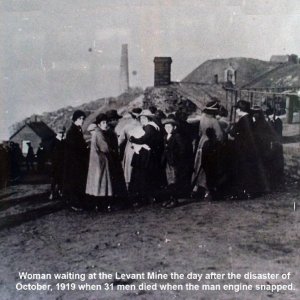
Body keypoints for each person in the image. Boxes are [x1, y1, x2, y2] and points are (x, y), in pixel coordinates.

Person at [229, 100, 265, 199]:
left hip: (243, 148)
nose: (236, 111)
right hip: (250, 148)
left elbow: (232, 133)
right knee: (250, 169)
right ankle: (252, 191)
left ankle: (246, 191)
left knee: (243, 170)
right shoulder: (250, 118)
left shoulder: (242, 120)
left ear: (240, 110)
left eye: (237, 109)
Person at [129, 109, 164, 204]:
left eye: (144, 118)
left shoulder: (149, 127)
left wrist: (132, 139)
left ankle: (146, 197)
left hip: (147, 155)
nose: (142, 120)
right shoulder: (152, 126)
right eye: (141, 118)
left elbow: (144, 139)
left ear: (149, 118)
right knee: (148, 175)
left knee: (145, 175)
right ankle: (148, 196)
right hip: (149, 153)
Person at [191, 100, 223, 198]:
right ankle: (207, 189)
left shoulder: (203, 118)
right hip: (210, 143)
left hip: (202, 142)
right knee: (209, 166)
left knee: (199, 164)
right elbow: (219, 135)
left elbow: (200, 132)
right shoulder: (214, 121)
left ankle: (196, 186)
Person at [85, 114, 113, 210]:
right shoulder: (100, 134)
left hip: (96, 162)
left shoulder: (96, 133)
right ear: (99, 124)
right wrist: (111, 149)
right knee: (102, 183)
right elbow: (104, 148)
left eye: (106, 122)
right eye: (103, 123)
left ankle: (98, 205)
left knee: (97, 182)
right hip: (101, 162)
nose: (105, 124)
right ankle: (102, 205)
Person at [160, 116, 189, 208]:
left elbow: (182, 150)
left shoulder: (177, 136)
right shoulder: (165, 136)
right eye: (166, 127)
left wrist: (177, 158)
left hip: (174, 162)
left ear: (174, 127)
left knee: (174, 180)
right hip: (168, 161)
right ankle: (170, 198)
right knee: (169, 180)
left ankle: (174, 199)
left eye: (169, 127)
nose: (167, 129)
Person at [63, 110, 88, 210]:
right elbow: (74, 147)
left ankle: (78, 202)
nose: (82, 120)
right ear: (75, 119)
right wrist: (84, 147)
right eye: (80, 119)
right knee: (75, 182)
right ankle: (74, 203)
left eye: (83, 119)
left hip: (78, 161)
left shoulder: (77, 130)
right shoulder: (72, 131)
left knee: (78, 181)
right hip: (74, 162)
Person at [117, 108, 143, 188]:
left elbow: (120, 141)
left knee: (130, 169)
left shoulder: (127, 127)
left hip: (130, 149)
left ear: (131, 116)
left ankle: (130, 189)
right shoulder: (143, 126)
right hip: (142, 149)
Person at [49, 126, 66, 200]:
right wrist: (52, 159)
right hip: (55, 163)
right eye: (60, 132)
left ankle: (60, 191)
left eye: (62, 132)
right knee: (54, 179)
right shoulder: (54, 141)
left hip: (62, 163)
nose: (61, 134)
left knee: (61, 178)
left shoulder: (64, 142)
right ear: (57, 133)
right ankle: (52, 192)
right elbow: (49, 151)